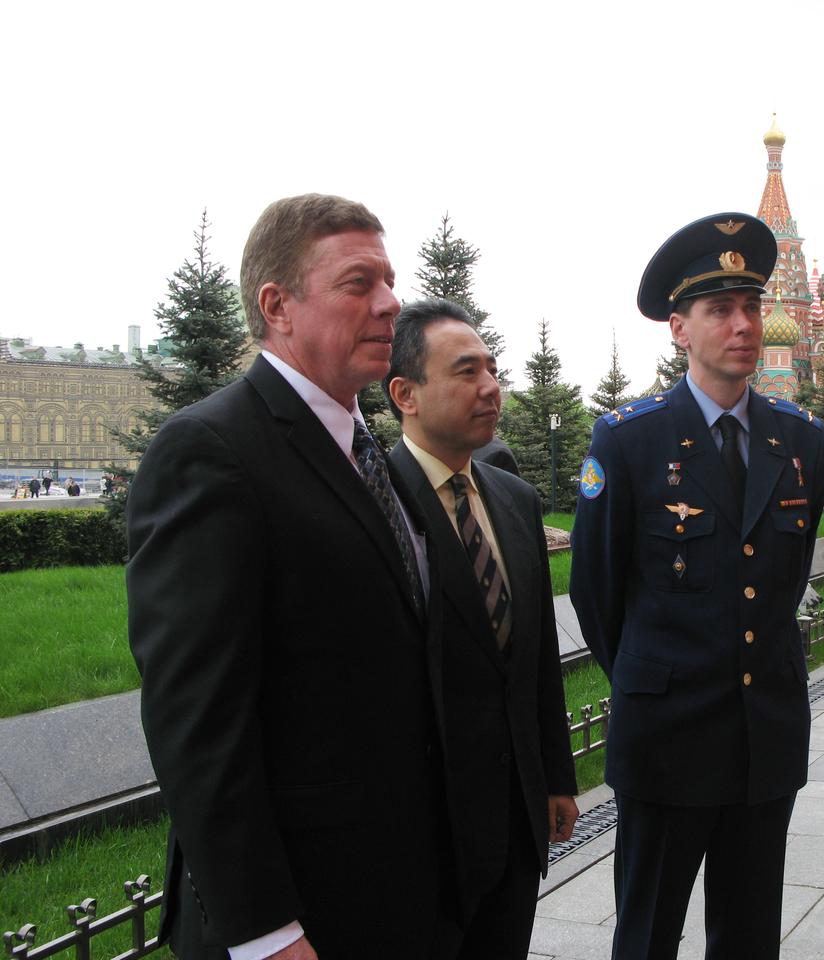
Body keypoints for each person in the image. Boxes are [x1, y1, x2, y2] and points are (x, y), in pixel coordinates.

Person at [127, 194, 446, 960]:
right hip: (299, 919)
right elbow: (197, 718)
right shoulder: (210, 449)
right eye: (358, 283)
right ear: (278, 306)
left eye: (391, 281)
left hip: (399, 893)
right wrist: (264, 930)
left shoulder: (371, 452)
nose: (391, 303)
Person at [570, 212, 824, 960]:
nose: (743, 325)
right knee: (647, 935)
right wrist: (659, 684)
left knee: (749, 940)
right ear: (679, 327)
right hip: (667, 742)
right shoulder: (628, 441)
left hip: (764, 740)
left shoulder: (801, 440)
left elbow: (789, 571)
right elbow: (597, 594)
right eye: (721, 310)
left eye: (751, 306)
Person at [383, 299, 577, 959]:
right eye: (466, 372)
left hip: (515, 829)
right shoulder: (374, 502)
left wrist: (554, 776)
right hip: (424, 838)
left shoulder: (512, 499)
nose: (491, 387)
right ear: (404, 394)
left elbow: (538, 656)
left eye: (492, 369)